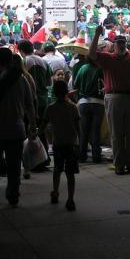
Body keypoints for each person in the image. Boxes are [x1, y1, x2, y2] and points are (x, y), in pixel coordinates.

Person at [0, 47, 36, 206]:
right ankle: (13, 196)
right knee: (14, 167)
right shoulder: (20, 78)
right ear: (11, 60)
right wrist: (33, 125)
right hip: (16, 129)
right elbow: (29, 104)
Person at [89, 26, 130, 175]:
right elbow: (91, 53)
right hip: (114, 97)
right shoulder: (108, 58)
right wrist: (96, 34)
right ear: (114, 45)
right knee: (117, 134)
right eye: (118, 42)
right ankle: (119, 165)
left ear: (125, 44)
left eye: (122, 42)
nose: (120, 45)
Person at [42, 80, 80, 211]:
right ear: (67, 92)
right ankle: (70, 199)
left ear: (54, 92)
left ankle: (55, 192)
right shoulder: (73, 108)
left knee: (57, 170)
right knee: (70, 174)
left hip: (58, 143)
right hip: (71, 144)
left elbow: (43, 126)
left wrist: (34, 133)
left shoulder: (50, 108)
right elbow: (78, 127)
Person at [72, 57, 104, 163]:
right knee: (96, 131)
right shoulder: (101, 69)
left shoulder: (83, 68)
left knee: (83, 131)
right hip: (98, 103)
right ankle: (96, 156)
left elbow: (75, 85)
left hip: (83, 103)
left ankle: (82, 156)